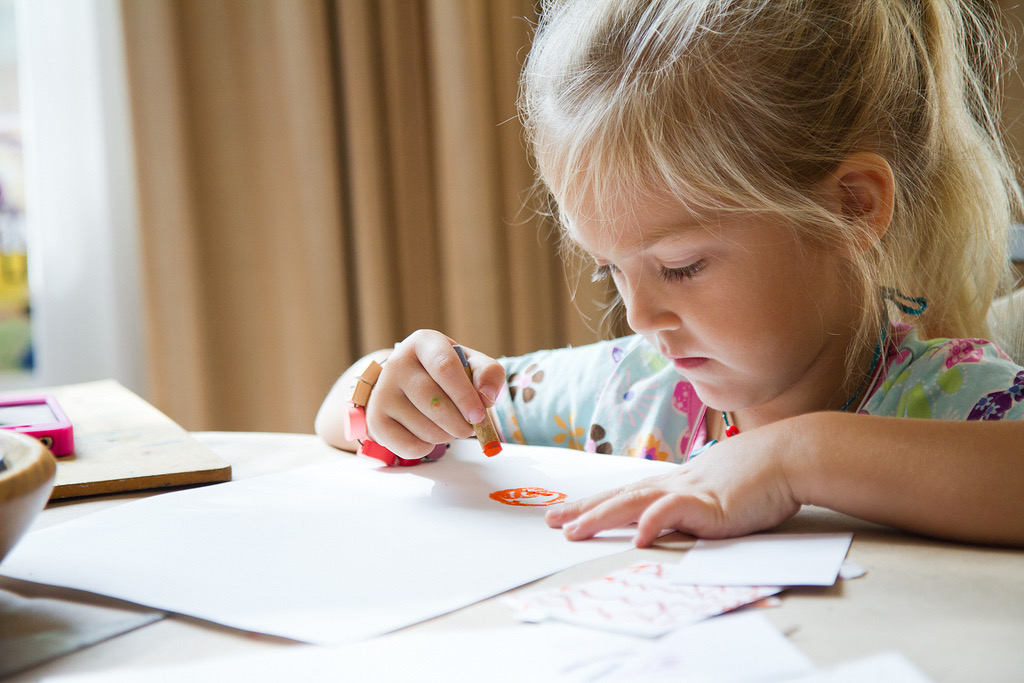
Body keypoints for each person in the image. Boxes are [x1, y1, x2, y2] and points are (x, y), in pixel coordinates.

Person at [317, 0, 1024, 548]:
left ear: (850, 207)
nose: (640, 318)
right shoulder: (631, 395)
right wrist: (390, 393)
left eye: (681, 267)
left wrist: (797, 456)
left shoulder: (955, 398)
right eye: (610, 272)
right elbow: (344, 411)